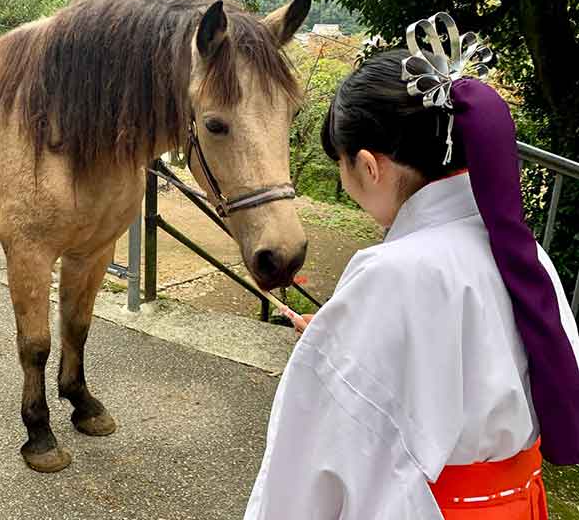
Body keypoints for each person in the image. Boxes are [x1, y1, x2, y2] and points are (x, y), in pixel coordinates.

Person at [245, 39, 579, 519]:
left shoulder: (391, 274)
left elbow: (319, 462)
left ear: (367, 165)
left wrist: (334, 350)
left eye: (342, 167)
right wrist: (342, 335)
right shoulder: (523, 253)